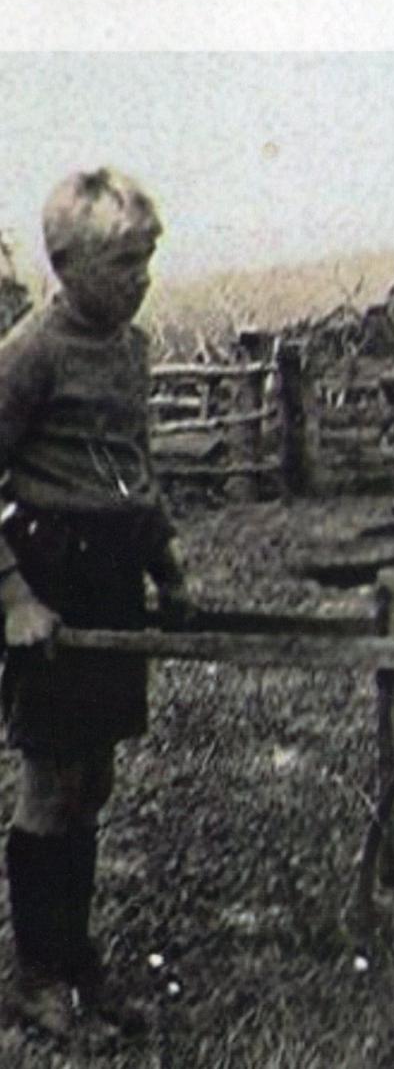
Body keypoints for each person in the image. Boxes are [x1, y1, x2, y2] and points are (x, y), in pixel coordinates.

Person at [0, 168, 191, 1039]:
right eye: (123, 264)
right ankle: (39, 978)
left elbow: (132, 469)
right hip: (51, 580)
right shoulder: (30, 352)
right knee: (52, 780)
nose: (140, 280)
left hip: (111, 575)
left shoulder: (131, 347)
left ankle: (77, 963)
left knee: (96, 778)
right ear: (67, 263)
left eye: (147, 261)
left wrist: (167, 567)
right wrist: (15, 598)